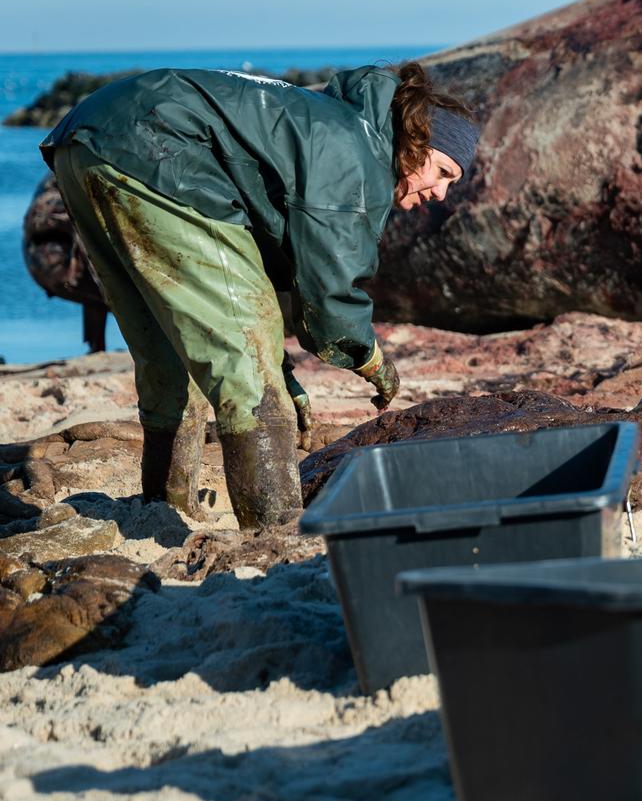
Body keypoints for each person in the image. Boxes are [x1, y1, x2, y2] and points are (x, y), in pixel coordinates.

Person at [40, 63, 478, 528]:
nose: (442, 193)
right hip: (161, 153)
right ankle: (273, 530)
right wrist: (369, 358)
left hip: (87, 141)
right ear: (416, 139)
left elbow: (263, 283)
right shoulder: (359, 155)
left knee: (167, 348)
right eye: (444, 171)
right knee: (248, 380)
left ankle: (162, 510)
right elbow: (331, 291)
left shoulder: (326, 125)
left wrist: (286, 374)